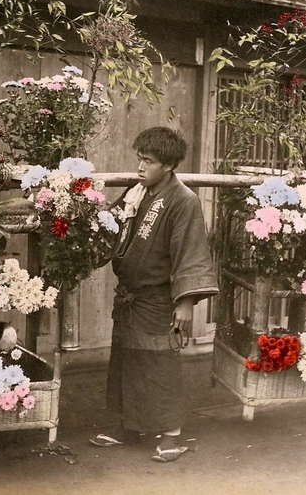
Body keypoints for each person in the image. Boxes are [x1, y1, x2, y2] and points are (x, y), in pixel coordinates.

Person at [89, 126, 219, 463]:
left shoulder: (183, 201)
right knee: (126, 360)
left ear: (169, 165)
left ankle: (170, 434)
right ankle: (127, 427)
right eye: (140, 159)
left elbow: (191, 255)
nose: (140, 167)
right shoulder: (136, 193)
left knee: (159, 364)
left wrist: (186, 303)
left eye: (148, 161)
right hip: (131, 296)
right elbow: (108, 228)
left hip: (159, 298)